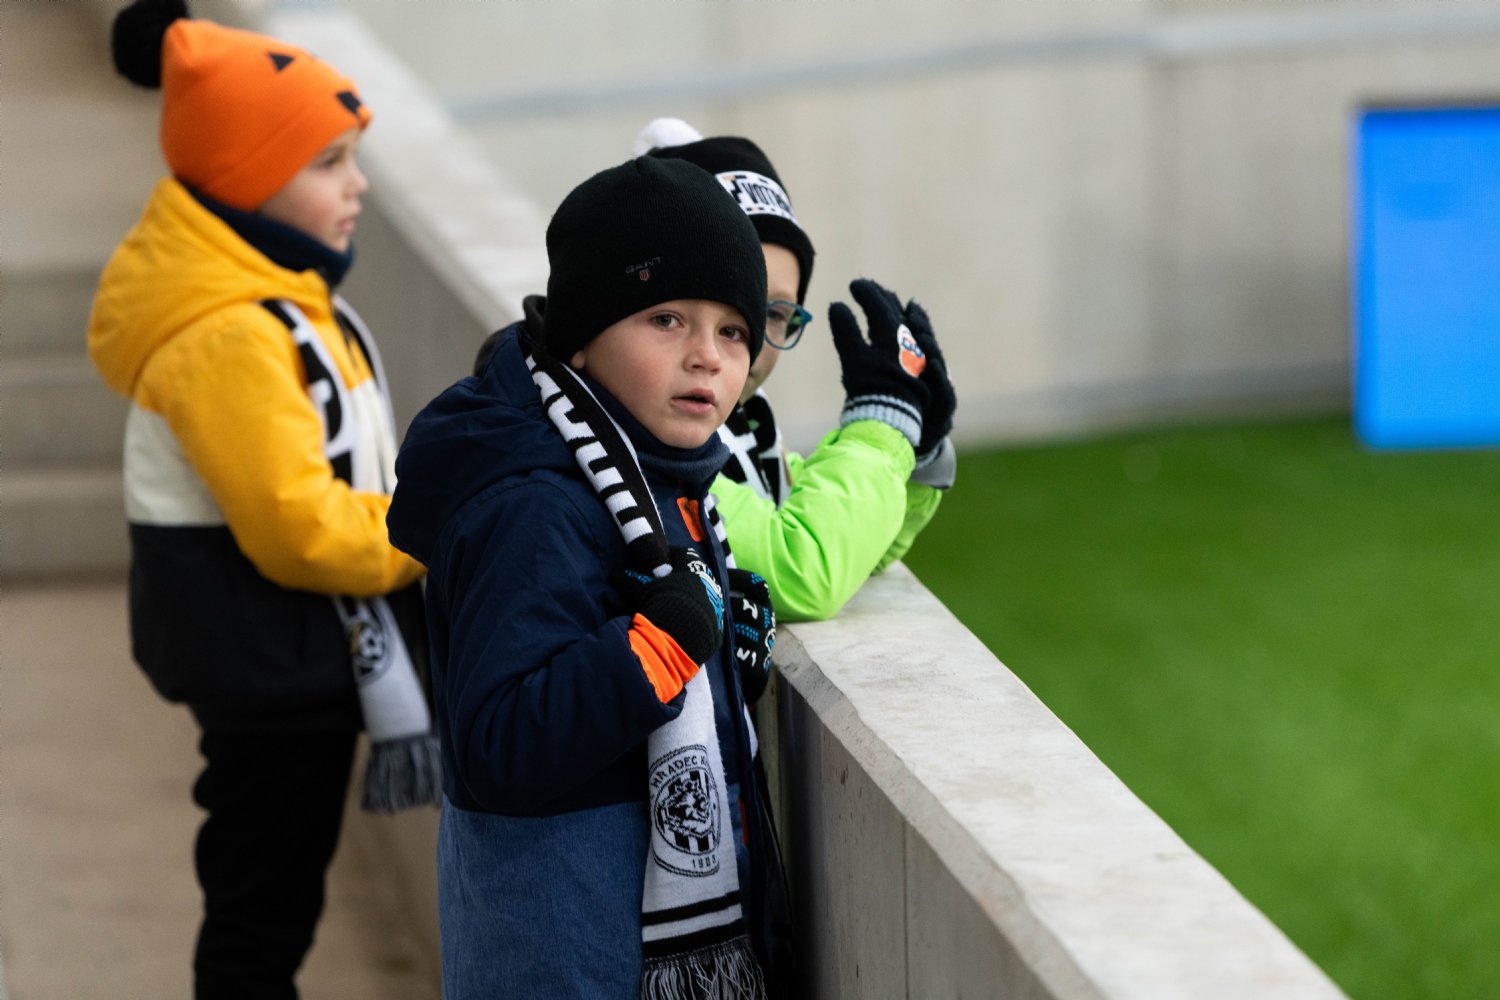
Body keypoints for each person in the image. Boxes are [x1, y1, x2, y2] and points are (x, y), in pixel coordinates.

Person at [87, 2, 434, 996]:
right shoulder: (231, 332)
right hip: (267, 667)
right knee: (261, 914)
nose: (357, 184)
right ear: (246, 178)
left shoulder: (277, 294)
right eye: (328, 162)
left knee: (270, 900)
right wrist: (434, 532)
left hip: (283, 660)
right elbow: (298, 528)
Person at [387, 155, 793, 998]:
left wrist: (719, 659)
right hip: (559, 950)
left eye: (732, 331)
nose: (706, 358)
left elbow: (645, 652)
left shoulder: (658, 473)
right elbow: (500, 743)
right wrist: (664, 647)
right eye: (666, 319)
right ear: (582, 334)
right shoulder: (534, 505)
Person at [639, 119, 959, 632]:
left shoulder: (747, 421)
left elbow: (853, 548)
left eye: (774, 314)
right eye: (727, 308)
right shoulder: (649, 437)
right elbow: (804, 570)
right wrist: (882, 429)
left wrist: (915, 448)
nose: (741, 346)